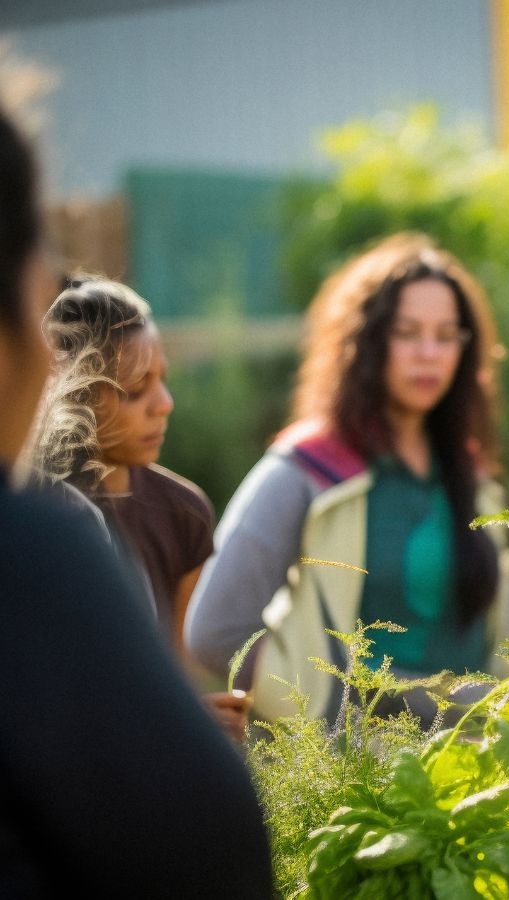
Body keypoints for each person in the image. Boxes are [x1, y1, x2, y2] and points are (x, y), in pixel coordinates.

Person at [0, 82, 272, 897]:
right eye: (132, 387)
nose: (164, 404)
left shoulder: (176, 509)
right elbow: (206, 845)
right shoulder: (45, 544)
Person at [185, 232, 509, 725]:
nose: (429, 353)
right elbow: (215, 633)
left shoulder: (472, 476)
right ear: (365, 340)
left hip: (477, 767)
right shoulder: (310, 468)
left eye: (446, 336)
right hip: (353, 778)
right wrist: (317, 711)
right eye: (407, 332)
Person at [26, 275, 248, 738]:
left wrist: (200, 716)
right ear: (73, 392)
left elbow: (183, 670)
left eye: (162, 380)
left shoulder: (185, 512)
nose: (164, 404)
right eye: (134, 389)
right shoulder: (39, 517)